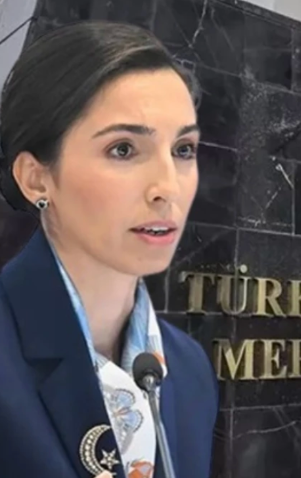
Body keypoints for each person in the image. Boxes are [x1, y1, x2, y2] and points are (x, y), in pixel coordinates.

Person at [0, 21, 218, 478]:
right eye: (123, 149)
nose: (168, 188)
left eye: (183, 149)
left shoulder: (189, 369)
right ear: (36, 178)